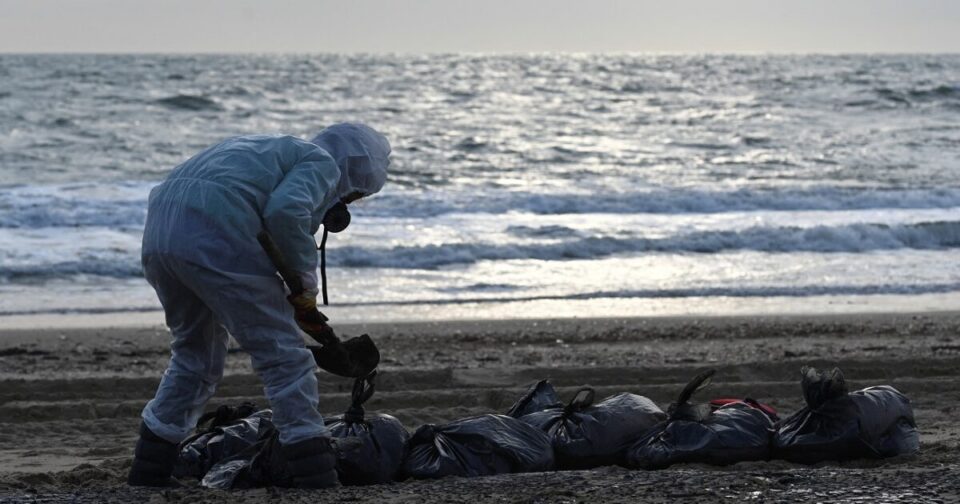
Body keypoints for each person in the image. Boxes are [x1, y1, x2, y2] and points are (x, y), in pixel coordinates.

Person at [128, 123, 391, 488]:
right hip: (215, 234)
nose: (345, 204)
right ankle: (315, 476)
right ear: (354, 170)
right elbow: (286, 212)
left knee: (195, 354)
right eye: (353, 195)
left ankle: (149, 472)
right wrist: (304, 283)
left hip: (160, 233)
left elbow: (258, 206)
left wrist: (294, 293)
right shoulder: (323, 163)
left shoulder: (269, 149)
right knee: (285, 359)